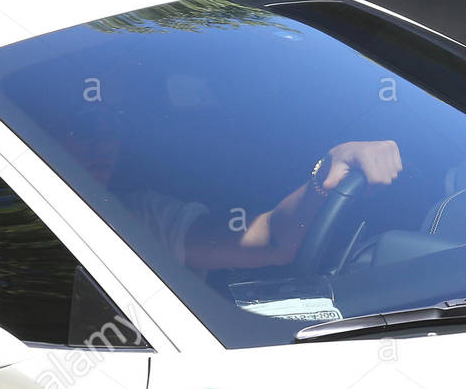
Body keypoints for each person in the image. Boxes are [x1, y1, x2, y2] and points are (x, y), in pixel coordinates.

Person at [61, 107, 402, 271]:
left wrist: (327, 174)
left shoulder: (140, 217)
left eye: (113, 126)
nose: (104, 143)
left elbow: (270, 239)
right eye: (84, 128)